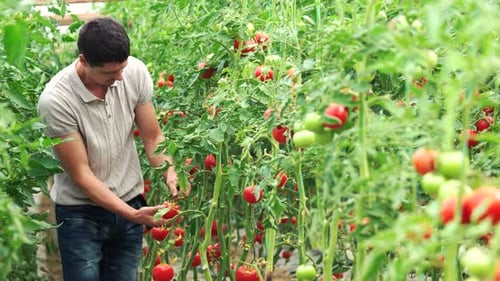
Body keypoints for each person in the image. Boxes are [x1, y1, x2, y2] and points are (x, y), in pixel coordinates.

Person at [37, 17, 189, 281]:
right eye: (110, 73)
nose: (119, 77)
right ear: (83, 61)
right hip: (80, 213)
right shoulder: (56, 100)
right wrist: (132, 214)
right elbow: (82, 175)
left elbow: (153, 137)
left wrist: (171, 171)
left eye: (123, 67)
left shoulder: (135, 72)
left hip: (130, 200)